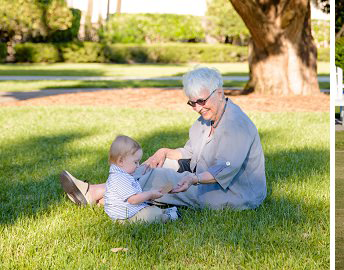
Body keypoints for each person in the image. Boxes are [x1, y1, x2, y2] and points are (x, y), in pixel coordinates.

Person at [59, 67, 267, 211]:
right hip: (206, 179)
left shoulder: (236, 125)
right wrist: (165, 152)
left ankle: (97, 193)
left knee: (159, 177)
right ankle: (106, 197)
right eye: (192, 103)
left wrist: (193, 178)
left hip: (234, 194)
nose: (198, 108)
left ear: (220, 93)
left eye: (202, 101)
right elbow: (192, 153)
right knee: (154, 165)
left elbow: (222, 169)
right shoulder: (205, 119)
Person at [103, 135, 181, 223]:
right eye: (135, 162)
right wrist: (150, 194)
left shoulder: (121, 175)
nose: (138, 165)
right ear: (121, 161)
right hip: (125, 217)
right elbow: (133, 200)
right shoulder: (120, 179)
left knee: (151, 209)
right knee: (150, 214)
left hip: (129, 211)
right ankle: (166, 217)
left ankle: (163, 212)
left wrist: (149, 195)